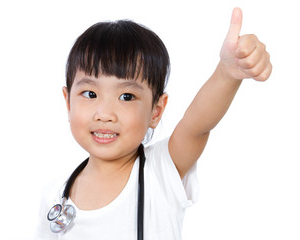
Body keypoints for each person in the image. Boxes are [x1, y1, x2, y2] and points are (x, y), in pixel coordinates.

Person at [34, 7, 272, 240]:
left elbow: (196, 125)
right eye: (89, 94)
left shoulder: (161, 170)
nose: (104, 114)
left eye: (126, 96)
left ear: (156, 111)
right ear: (68, 102)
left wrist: (227, 72)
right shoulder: (55, 197)